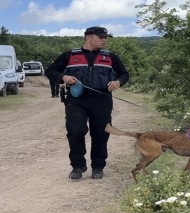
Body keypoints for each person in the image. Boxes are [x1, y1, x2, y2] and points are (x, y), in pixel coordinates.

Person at [45, 26, 129, 180]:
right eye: (101, 37)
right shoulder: (69, 55)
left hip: (102, 98)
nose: (105, 39)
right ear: (89, 37)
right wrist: (63, 78)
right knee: (75, 131)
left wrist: (118, 82)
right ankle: (77, 166)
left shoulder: (110, 57)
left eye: (105, 37)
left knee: (101, 133)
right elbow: (50, 71)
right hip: (76, 99)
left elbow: (124, 74)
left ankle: (98, 167)